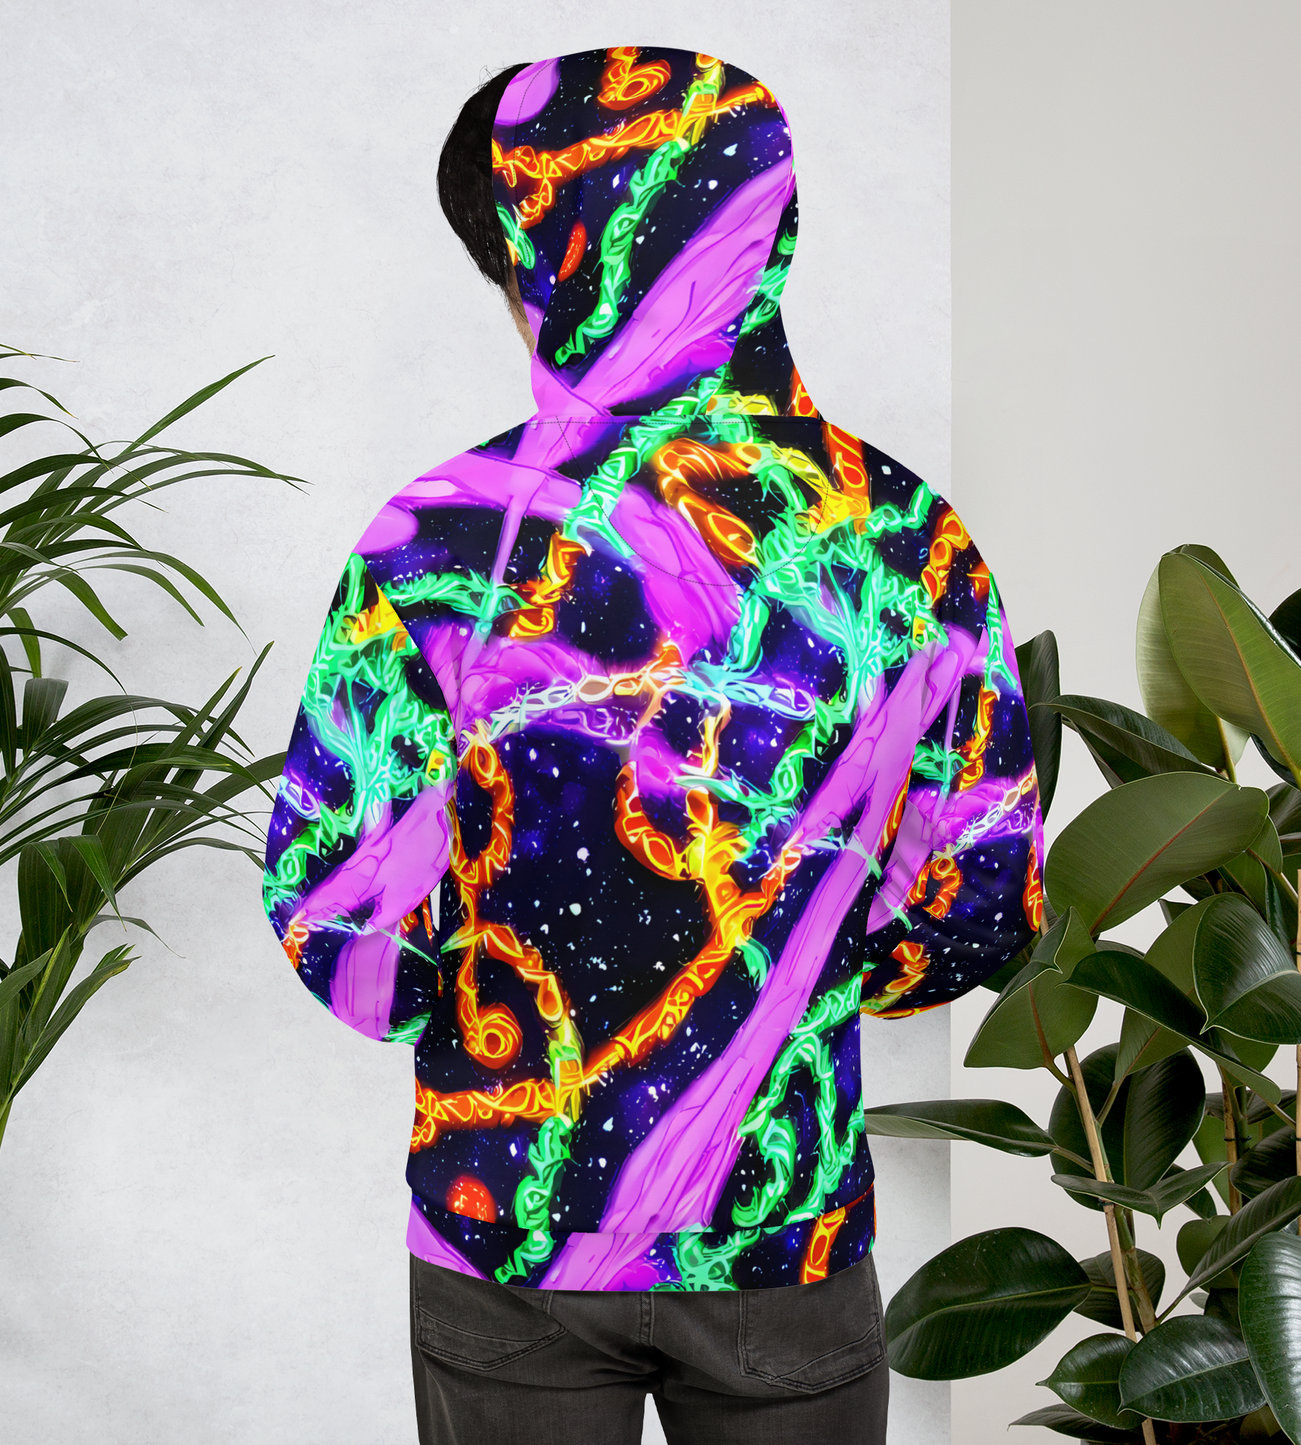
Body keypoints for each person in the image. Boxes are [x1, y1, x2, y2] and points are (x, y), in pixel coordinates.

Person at [263, 47, 1043, 1445]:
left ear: (548, 255)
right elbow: (979, 906)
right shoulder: (905, 537)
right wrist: (788, 992)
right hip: (784, 1226)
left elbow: (339, 915)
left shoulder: (436, 542)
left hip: (507, 1224)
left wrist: (498, 1029)